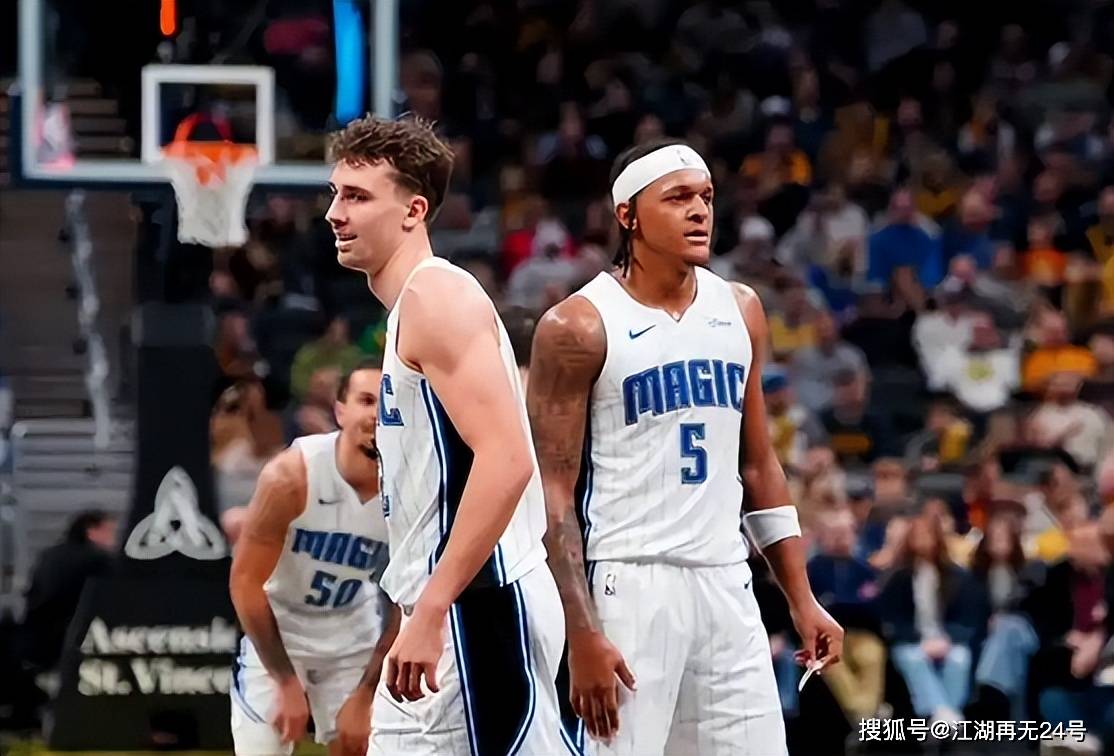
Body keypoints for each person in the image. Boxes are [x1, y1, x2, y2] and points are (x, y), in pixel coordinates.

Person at [527, 139, 843, 755]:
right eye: (677, 198)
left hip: (727, 581)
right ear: (628, 215)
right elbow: (552, 492)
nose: (700, 211)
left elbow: (759, 465)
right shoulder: (578, 325)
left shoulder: (741, 309)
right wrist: (581, 630)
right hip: (629, 582)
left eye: (706, 197)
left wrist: (801, 599)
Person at [324, 114, 565, 755]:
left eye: (357, 196)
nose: (334, 213)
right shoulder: (412, 307)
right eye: (335, 194)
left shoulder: (436, 298)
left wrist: (432, 606)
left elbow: (508, 460)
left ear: (414, 210)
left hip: (476, 607)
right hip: (450, 606)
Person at [228, 360, 391, 756]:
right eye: (366, 400)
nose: (377, 413)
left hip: (353, 632)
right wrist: (285, 682)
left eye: (388, 403)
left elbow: (411, 600)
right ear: (340, 411)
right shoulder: (290, 476)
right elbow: (245, 583)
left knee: (363, 747)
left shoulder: (408, 485)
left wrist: (367, 693)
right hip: (281, 626)